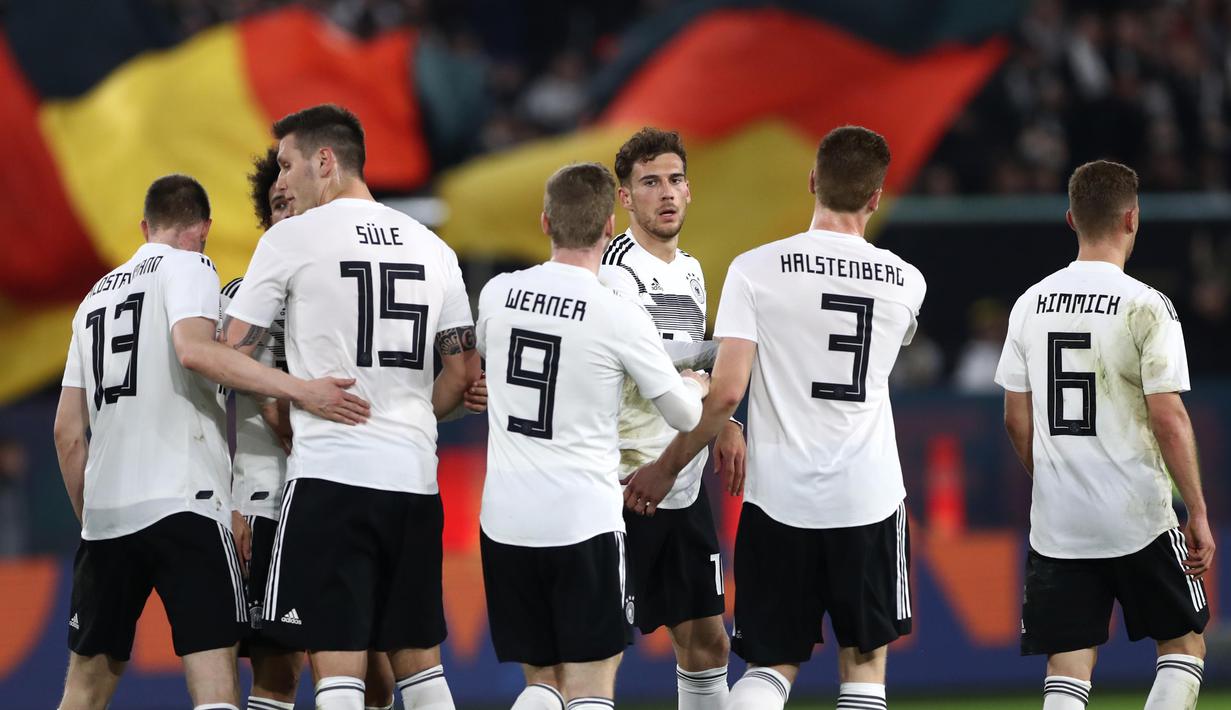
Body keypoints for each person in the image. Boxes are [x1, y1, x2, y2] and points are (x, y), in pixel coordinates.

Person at [628, 126, 925, 710]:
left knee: (768, 668)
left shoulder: (755, 270)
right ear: (875, 197)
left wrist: (667, 467)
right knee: (864, 667)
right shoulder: (906, 280)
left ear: (813, 182)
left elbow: (726, 392)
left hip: (778, 500)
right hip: (867, 498)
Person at [53, 174, 365, 710]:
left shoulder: (92, 300)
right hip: (186, 506)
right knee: (215, 685)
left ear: (145, 226)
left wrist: (93, 521)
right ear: (203, 229)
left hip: (105, 522)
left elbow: (66, 433)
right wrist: (301, 392)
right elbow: (196, 351)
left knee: (84, 689)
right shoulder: (192, 266)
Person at [220, 104, 480, 710]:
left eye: (285, 165)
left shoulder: (292, 238)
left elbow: (228, 355)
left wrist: (302, 393)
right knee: (420, 669)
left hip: (332, 478)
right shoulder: (433, 246)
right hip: (414, 480)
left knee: (337, 671)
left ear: (325, 161)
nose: (278, 182)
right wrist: (408, 410)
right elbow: (464, 372)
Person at [476, 162, 708, 710]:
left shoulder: (498, 293)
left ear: (544, 221)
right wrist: (695, 383)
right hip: (582, 520)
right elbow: (681, 416)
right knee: (589, 686)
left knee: (541, 684)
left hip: (504, 521)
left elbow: (488, 355)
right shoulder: (618, 313)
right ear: (610, 226)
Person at [995, 160, 1212, 710]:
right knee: (1183, 644)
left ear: (1071, 219)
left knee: (1068, 663)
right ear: (1132, 219)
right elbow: (1169, 416)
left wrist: (1053, 479)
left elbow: (1015, 419)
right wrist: (1199, 511)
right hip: (1136, 511)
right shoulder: (1147, 305)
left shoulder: (1027, 304)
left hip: (1059, 522)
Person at [598, 127, 743, 708]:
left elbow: (692, 362)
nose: (666, 192)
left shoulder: (691, 270)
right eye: (649, 181)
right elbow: (648, 371)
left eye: (675, 180)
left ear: (690, 191)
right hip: (624, 484)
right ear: (625, 198)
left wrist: (725, 420)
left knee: (708, 644)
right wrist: (713, 397)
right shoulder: (612, 273)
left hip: (680, 487)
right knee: (596, 651)